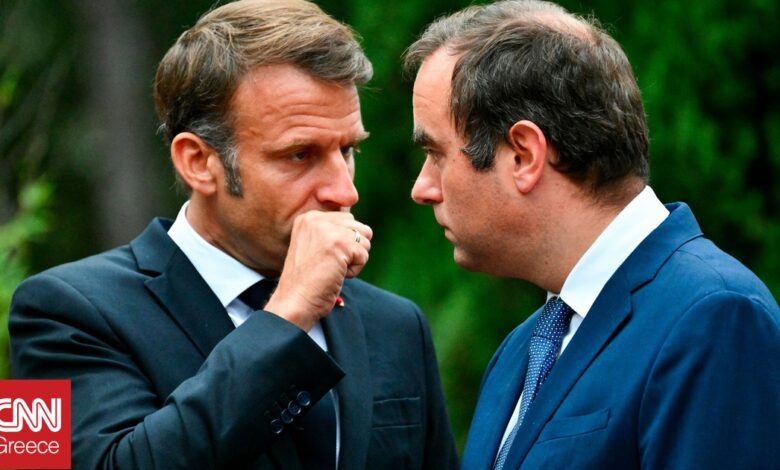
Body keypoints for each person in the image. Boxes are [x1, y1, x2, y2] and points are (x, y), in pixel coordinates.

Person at [10, 1, 457, 468]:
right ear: (198, 162)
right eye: (300, 155)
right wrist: (287, 316)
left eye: (347, 150)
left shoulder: (397, 324)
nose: (344, 191)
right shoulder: (50, 312)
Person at [404, 1, 780, 468]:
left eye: (436, 154)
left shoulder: (714, 318)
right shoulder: (521, 351)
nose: (422, 187)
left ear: (524, 155)